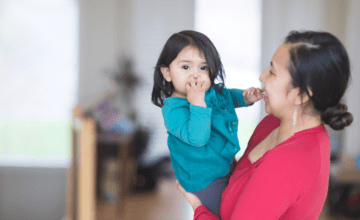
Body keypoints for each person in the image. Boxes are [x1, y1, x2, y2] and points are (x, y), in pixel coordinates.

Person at [177, 30, 354, 219]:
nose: (262, 76)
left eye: (272, 72)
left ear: (301, 95)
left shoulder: (286, 165)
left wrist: (198, 206)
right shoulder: (273, 122)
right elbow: (242, 180)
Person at [151, 30, 263, 216]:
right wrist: (197, 103)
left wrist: (244, 97)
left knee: (240, 202)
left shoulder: (208, 91)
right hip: (203, 179)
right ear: (167, 73)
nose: (196, 75)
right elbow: (197, 138)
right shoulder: (173, 110)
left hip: (223, 164)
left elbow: (225, 97)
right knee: (224, 213)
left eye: (203, 68)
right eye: (186, 67)